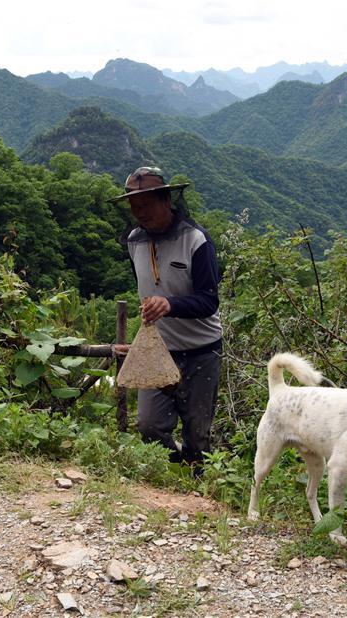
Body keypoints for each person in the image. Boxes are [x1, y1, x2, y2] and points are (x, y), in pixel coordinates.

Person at [109, 167, 223, 471]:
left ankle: (197, 490)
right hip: (158, 352)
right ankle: (174, 471)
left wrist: (169, 305)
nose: (140, 213)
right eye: (134, 207)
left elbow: (209, 300)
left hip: (201, 350)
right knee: (149, 425)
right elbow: (147, 291)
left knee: (198, 434)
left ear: (166, 200)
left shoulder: (196, 240)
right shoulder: (134, 241)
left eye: (145, 205)